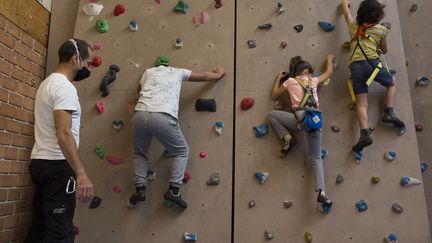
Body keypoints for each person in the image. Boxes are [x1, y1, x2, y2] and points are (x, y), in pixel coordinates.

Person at [128, 55, 225, 209]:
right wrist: (219, 74)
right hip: (163, 114)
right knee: (181, 151)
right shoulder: (177, 71)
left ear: (157, 65)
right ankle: (174, 190)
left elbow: (139, 90)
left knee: (139, 153)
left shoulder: (147, 72)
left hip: (140, 113)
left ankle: (140, 189)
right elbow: (204, 76)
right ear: (168, 65)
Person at [24, 39, 94, 243]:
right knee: (60, 233)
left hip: (40, 162)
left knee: (40, 228)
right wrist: (81, 174)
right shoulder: (65, 87)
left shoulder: (46, 84)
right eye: (87, 63)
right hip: (57, 166)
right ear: (75, 59)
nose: (88, 68)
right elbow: (63, 133)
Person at [268, 54, 334, 209]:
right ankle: (322, 193)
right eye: (310, 72)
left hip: (300, 120)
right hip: (315, 121)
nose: (311, 75)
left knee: (272, 115)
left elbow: (274, 95)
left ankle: (288, 138)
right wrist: (329, 58)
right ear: (306, 72)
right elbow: (329, 72)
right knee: (316, 158)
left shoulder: (290, 81)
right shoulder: (314, 80)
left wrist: (279, 78)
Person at [341, 0, 405, 156]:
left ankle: (364, 134)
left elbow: (346, 13)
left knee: (362, 103)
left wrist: (344, 4)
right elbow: (385, 50)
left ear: (360, 15)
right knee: (391, 84)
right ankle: (388, 112)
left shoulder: (353, 27)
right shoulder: (381, 30)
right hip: (373, 66)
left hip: (356, 68)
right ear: (378, 17)